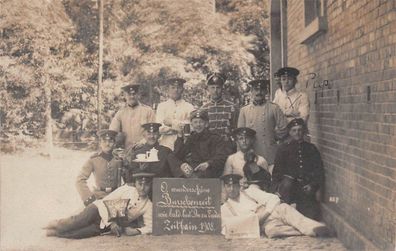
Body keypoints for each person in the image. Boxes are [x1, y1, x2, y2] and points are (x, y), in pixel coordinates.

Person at [45, 170, 154, 239]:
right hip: (98, 210)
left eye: (146, 185)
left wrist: (137, 231)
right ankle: (54, 224)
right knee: (75, 222)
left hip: (104, 226)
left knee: (80, 234)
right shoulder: (127, 190)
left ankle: (54, 233)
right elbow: (107, 200)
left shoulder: (148, 205)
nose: (143, 188)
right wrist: (111, 222)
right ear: (135, 183)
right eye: (140, 184)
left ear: (150, 186)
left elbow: (150, 226)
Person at [220, 174, 332, 238]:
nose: (231, 189)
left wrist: (267, 212)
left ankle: (315, 228)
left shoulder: (250, 192)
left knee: (284, 209)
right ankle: (304, 229)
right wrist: (253, 220)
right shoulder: (225, 208)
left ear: (238, 186)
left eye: (234, 185)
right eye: (228, 186)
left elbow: (273, 198)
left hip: (273, 212)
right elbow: (227, 228)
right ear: (224, 188)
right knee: (272, 232)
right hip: (263, 225)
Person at [272, 118, 324, 220]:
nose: (297, 133)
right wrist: (276, 190)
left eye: (300, 130)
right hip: (289, 190)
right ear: (289, 132)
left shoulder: (311, 149)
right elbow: (277, 172)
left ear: (303, 131)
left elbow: (319, 170)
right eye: (294, 130)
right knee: (286, 218)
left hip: (305, 189)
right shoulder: (283, 149)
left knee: (312, 217)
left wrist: (312, 185)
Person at [238, 80, 288, 165]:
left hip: (269, 151)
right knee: (252, 175)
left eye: (262, 90)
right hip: (251, 151)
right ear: (251, 91)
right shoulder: (244, 110)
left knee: (269, 175)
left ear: (266, 91)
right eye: (256, 90)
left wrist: (272, 136)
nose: (259, 92)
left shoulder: (274, 108)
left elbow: (284, 128)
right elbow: (240, 134)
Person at [168, 109, 227, 178]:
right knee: (171, 156)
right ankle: (184, 177)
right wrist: (180, 136)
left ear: (206, 124)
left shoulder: (215, 138)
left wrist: (208, 163)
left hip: (208, 169)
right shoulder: (192, 138)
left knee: (205, 172)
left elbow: (221, 157)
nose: (198, 125)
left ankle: (190, 177)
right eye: (195, 122)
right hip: (193, 169)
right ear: (192, 125)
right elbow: (178, 154)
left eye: (201, 122)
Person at [76, 129, 123, 206]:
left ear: (114, 143)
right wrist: (89, 198)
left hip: (116, 196)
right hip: (99, 197)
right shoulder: (93, 159)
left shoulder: (119, 160)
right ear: (100, 143)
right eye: (104, 141)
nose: (107, 144)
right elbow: (79, 180)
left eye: (110, 141)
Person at [223, 127, 271, 191]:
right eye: (241, 138)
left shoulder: (260, 160)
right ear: (237, 141)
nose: (244, 141)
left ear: (252, 140)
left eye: (247, 138)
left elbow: (266, 184)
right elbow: (226, 182)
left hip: (256, 195)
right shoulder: (231, 159)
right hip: (237, 194)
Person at [109, 83, 155, 149]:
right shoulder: (120, 113)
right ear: (125, 96)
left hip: (145, 149)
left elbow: (154, 131)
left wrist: (143, 142)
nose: (132, 97)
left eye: (134, 94)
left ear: (138, 95)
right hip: (127, 151)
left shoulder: (148, 111)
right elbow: (112, 132)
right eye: (129, 94)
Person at [155, 78, 194, 150]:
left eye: (178, 87)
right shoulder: (162, 106)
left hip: (184, 146)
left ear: (182, 89)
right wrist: (180, 127)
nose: (176, 90)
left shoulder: (189, 107)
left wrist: (171, 123)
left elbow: (191, 128)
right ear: (168, 89)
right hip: (165, 145)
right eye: (173, 87)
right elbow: (159, 128)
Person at [200, 72, 238, 146]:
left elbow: (236, 129)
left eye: (218, 87)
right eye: (212, 87)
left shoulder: (232, 107)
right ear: (208, 89)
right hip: (209, 147)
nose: (215, 91)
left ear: (222, 88)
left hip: (227, 147)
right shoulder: (203, 109)